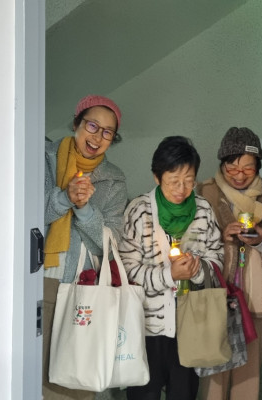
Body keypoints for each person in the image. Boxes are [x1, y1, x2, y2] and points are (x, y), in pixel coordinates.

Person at [118, 136, 224, 400]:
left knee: (183, 392)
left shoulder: (203, 210)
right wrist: (169, 275)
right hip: (146, 326)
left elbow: (217, 258)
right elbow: (127, 269)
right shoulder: (139, 210)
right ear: (157, 177)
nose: (182, 189)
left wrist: (198, 270)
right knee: (144, 393)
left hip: (190, 324)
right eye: (173, 181)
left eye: (189, 180)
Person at [42, 95, 128, 399]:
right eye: (92, 126)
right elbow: (26, 218)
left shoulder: (114, 180)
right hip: (43, 281)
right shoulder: (44, 158)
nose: (97, 137)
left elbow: (111, 243)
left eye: (107, 132)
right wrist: (65, 197)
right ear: (77, 123)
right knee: (35, 376)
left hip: (85, 288)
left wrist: (84, 209)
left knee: (75, 381)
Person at [196, 127, 262, 400]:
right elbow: (190, 242)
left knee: (249, 375)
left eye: (248, 168)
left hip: (257, 298)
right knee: (214, 374)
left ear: (258, 166)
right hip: (216, 293)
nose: (239, 175)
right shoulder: (204, 191)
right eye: (232, 167)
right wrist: (221, 237)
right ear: (222, 164)